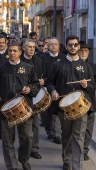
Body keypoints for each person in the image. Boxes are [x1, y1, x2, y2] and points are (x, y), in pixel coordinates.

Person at [0, 42, 40, 170]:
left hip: (24, 107)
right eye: (10, 51)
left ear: (20, 53)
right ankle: (12, 165)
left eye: (15, 51)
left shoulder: (28, 68)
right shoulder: (1, 69)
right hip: (7, 109)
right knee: (7, 140)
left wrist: (30, 89)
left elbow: (36, 85)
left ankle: (24, 159)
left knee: (27, 136)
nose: (12, 53)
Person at [47, 35, 95, 170]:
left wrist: (86, 85)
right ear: (66, 47)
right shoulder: (58, 64)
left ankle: (77, 166)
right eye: (70, 45)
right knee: (66, 136)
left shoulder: (85, 66)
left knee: (79, 137)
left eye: (75, 45)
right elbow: (50, 82)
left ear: (79, 47)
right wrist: (53, 92)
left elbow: (93, 86)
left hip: (82, 107)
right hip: (64, 107)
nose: (73, 47)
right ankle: (66, 161)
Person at [20, 39, 43, 159]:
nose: (32, 49)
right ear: (23, 48)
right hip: (21, 96)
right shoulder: (19, 60)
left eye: (34, 47)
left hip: (34, 95)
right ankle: (23, 147)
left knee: (35, 124)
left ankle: (34, 148)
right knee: (22, 124)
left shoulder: (38, 61)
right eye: (29, 47)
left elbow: (45, 76)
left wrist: (43, 81)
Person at [41, 37, 65, 144]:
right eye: (51, 44)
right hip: (46, 88)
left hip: (59, 89)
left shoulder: (63, 58)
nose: (53, 46)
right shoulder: (42, 58)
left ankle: (57, 134)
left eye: (56, 44)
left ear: (59, 46)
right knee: (47, 112)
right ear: (48, 46)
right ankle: (49, 132)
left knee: (57, 111)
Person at [78, 41, 96, 161]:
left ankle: (84, 151)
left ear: (89, 52)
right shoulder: (72, 65)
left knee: (88, 130)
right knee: (78, 130)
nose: (83, 52)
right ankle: (75, 151)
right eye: (81, 51)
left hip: (90, 102)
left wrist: (87, 85)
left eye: (86, 51)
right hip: (76, 104)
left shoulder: (93, 66)